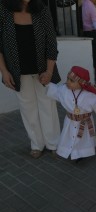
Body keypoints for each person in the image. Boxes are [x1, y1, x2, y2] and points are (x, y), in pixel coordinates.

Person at [0, 0, 61, 159]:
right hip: (17, 71)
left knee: (47, 104)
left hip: (43, 69)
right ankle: (36, 143)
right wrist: (4, 71)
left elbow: (51, 42)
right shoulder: (4, 10)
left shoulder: (41, 10)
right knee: (27, 108)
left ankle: (53, 142)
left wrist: (49, 70)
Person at [47, 66, 96, 162]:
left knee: (83, 140)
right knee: (69, 137)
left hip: (84, 123)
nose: (68, 82)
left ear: (81, 83)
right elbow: (56, 91)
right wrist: (46, 84)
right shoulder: (64, 90)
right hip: (70, 121)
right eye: (68, 79)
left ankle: (81, 154)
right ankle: (71, 152)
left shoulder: (89, 96)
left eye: (72, 81)